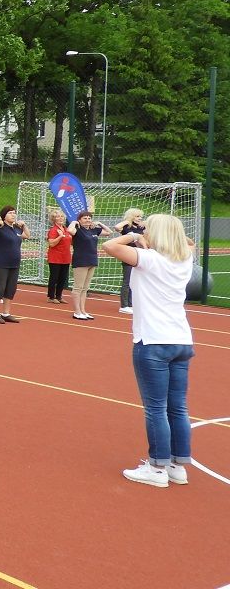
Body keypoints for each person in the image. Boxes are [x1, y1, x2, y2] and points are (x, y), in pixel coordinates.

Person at [101, 214, 196, 487]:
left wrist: (134, 235)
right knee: (178, 407)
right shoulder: (184, 258)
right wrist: (159, 233)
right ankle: (177, 466)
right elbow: (188, 242)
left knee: (156, 408)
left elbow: (109, 246)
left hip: (153, 340)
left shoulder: (150, 259)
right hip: (181, 339)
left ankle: (156, 468)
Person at [0, 206, 31, 324]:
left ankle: (6, 313)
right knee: (0, 288)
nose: (13, 215)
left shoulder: (16, 228)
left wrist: (24, 225)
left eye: (14, 213)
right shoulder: (0, 228)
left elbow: (27, 235)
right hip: (0, 263)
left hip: (14, 263)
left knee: (11, 289)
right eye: (10, 213)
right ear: (4, 216)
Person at [68, 211, 113, 321]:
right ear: (80, 220)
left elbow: (109, 232)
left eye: (89, 218)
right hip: (81, 261)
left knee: (85, 288)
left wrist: (100, 223)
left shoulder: (94, 230)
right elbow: (70, 230)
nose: (87, 220)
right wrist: (74, 222)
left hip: (92, 260)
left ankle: (83, 310)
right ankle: (77, 311)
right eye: (85, 218)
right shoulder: (78, 230)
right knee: (78, 287)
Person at [116, 208, 145, 314]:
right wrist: (127, 221)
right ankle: (124, 305)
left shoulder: (141, 227)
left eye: (140, 216)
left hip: (139, 254)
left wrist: (143, 223)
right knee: (127, 281)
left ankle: (131, 304)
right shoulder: (126, 227)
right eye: (137, 216)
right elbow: (117, 227)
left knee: (135, 281)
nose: (140, 218)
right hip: (128, 254)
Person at [46, 208, 72, 304]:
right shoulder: (53, 230)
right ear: (54, 219)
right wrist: (60, 236)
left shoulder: (66, 230)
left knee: (63, 278)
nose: (60, 218)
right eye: (57, 217)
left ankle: (59, 296)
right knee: (54, 277)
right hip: (55, 257)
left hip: (66, 257)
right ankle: (51, 297)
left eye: (61, 216)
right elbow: (51, 244)